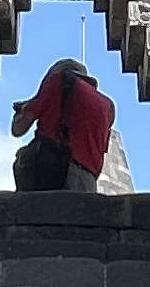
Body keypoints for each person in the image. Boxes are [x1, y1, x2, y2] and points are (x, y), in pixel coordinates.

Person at [8, 58, 111, 192]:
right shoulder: (108, 105)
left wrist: (21, 111)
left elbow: (19, 129)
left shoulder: (57, 80)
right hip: (87, 183)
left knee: (22, 158)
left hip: (53, 172)